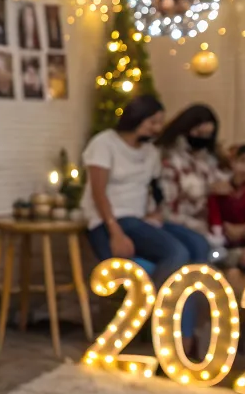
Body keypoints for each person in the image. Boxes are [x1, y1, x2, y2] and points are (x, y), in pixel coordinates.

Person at [81, 95, 210, 324]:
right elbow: (98, 192)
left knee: (199, 244)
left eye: (160, 122)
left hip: (140, 220)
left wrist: (157, 211)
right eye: (153, 122)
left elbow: (154, 188)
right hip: (112, 221)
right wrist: (115, 232)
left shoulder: (150, 152)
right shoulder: (104, 144)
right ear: (136, 118)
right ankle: (162, 320)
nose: (158, 128)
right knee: (177, 252)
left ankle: (188, 326)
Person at [156, 104, 232, 236]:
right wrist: (207, 189)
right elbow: (167, 201)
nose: (202, 138)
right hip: (177, 222)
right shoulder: (167, 158)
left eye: (207, 134)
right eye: (198, 133)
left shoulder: (212, 159)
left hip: (213, 225)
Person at [207, 145, 245, 271]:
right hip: (220, 241)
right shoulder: (220, 189)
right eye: (243, 161)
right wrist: (221, 230)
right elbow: (214, 214)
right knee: (214, 257)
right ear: (233, 162)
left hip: (244, 242)